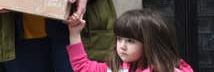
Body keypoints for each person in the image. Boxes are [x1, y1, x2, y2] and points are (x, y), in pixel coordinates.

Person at [66, 9, 194, 72]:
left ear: (151, 44)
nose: (122, 46)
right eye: (119, 39)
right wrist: (75, 34)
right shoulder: (115, 68)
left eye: (130, 41)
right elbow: (83, 67)